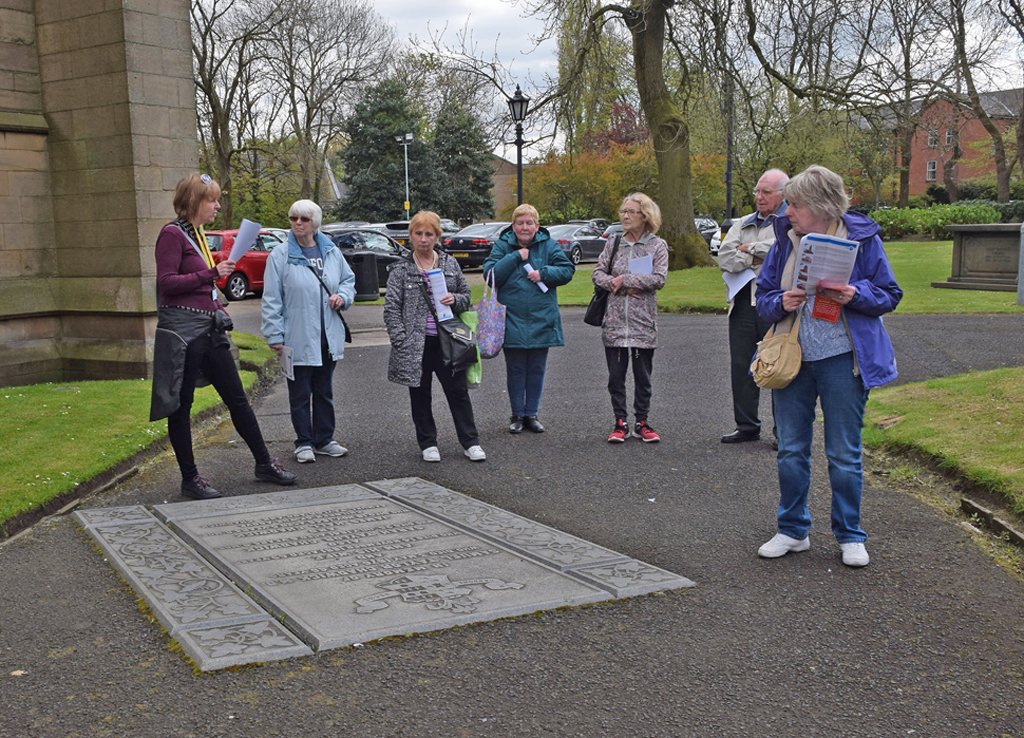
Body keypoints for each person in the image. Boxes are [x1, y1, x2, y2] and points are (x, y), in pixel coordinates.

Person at [755, 165, 902, 568]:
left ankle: (850, 535)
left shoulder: (863, 238)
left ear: (822, 207)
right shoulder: (784, 241)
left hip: (843, 359)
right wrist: (780, 302)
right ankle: (792, 530)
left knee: (843, 453)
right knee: (790, 450)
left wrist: (855, 293)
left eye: (795, 205)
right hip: (792, 360)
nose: (787, 212)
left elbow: (889, 294)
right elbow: (762, 298)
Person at [150, 174, 296, 500]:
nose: (217, 205)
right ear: (194, 202)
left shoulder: (197, 234)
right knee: (181, 407)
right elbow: (167, 283)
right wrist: (211, 273)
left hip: (209, 331)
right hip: (184, 335)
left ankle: (264, 463)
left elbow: (201, 286)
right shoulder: (172, 234)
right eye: (212, 200)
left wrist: (215, 292)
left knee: (237, 399)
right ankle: (190, 479)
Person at [383, 210, 486, 463]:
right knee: (420, 394)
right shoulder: (400, 269)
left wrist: (455, 299)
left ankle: (470, 442)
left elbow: (466, 296)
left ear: (437, 236)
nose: (423, 239)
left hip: (448, 340)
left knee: (458, 392)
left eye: (429, 234)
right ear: (411, 236)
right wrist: (400, 339)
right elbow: (391, 308)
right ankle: (428, 443)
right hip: (416, 343)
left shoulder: (449, 263)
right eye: (418, 233)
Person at [262, 199, 356, 464]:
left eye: (304, 219)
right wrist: (274, 336)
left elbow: (348, 281)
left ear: (315, 223)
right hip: (297, 336)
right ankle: (303, 441)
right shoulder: (279, 255)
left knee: (324, 391)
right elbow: (272, 299)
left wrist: (343, 297)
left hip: (327, 336)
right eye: (293, 218)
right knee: (300, 393)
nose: (298, 223)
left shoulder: (332, 252)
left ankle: (325, 439)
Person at [483, 204, 575, 434]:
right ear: (513, 226)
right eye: (520, 223)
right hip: (510, 317)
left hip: (541, 317)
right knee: (515, 369)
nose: (525, 227)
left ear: (537, 225)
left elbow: (567, 270)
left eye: (529, 223)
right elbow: (490, 275)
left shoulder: (549, 245)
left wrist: (544, 273)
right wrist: (515, 256)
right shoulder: (503, 245)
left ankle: (531, 414)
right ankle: (517, 415)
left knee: (536, 369)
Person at [718, 169, 788, 446]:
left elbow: (784, 251)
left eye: (766, 192)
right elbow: (725, 258)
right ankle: (747, 426)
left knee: (779, 367)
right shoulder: (743, 223)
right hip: (742, 304)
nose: (759, 197)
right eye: (757, 191)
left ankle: (784, 432)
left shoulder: (790, 220)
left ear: (782, 194)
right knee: (741, 367)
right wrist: (756, 257)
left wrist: (750, 248)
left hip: (775, 305)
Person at [591, 193, 669, 443]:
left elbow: (659, 278)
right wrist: (618, 285)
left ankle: (642, 422)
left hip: (643, 323)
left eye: (631, 212)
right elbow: (597, 273)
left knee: (642, 377)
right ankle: (620, 422)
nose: (625, 216)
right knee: (616, 377)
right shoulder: (613, 242)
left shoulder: (657, 245)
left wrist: (625, 279)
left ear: (645, 216)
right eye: (623, 211)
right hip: (614, 322)